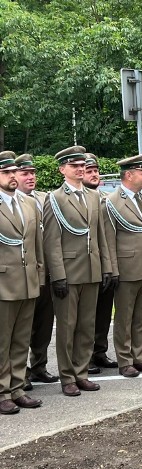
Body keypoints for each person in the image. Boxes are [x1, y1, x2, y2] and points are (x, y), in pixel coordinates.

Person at [43, 146, 112, 396]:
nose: (80, 169)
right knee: (67, 326)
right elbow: (51, 241)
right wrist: (58, 275)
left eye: (82, 165)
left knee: (87, 325)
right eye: (74, 166)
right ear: (63, 169)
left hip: (92, 269)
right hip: (69, 272)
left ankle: (81, 372)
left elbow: (100, 236)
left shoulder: (93, 197)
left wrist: (106, 266)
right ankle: (67, 376)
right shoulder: (55, 199)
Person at [103, 154, 142, 377]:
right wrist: (112, 269)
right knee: (125, 316)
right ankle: (125, 360)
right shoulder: (111, 201)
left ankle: (140, 356)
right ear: (129, 175)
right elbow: (109, 239)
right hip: (127, 268)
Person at [0, 151, 45, 414]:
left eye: (12, 172)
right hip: (4, 283)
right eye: (5, 173)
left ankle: (17, 388)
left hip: (27, 282)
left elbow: (36, 244)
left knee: (20, 340)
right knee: (3, 342)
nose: (12, 177)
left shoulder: (27, 204)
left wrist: (39, 276)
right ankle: (2, 391)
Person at [14, 154, 59, 387]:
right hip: (21, 273)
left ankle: (39, 366)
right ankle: (20, 373)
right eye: (25, 173)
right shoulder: (8, 202)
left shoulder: (44, 198)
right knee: (21, 328)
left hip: (47, 271)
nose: (30, 177)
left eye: (32, 173)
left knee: (43, 324)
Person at [83, 153, 118, 372]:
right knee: (86, 316)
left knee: (104, 312)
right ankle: (84, 357)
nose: (94, 174)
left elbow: (109, 236)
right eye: (89, 171)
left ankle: (99, 351)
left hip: (106, 262)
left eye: (96, 170)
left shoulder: (105, 197)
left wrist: (111, 266)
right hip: (85, 265)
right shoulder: (78, 199)